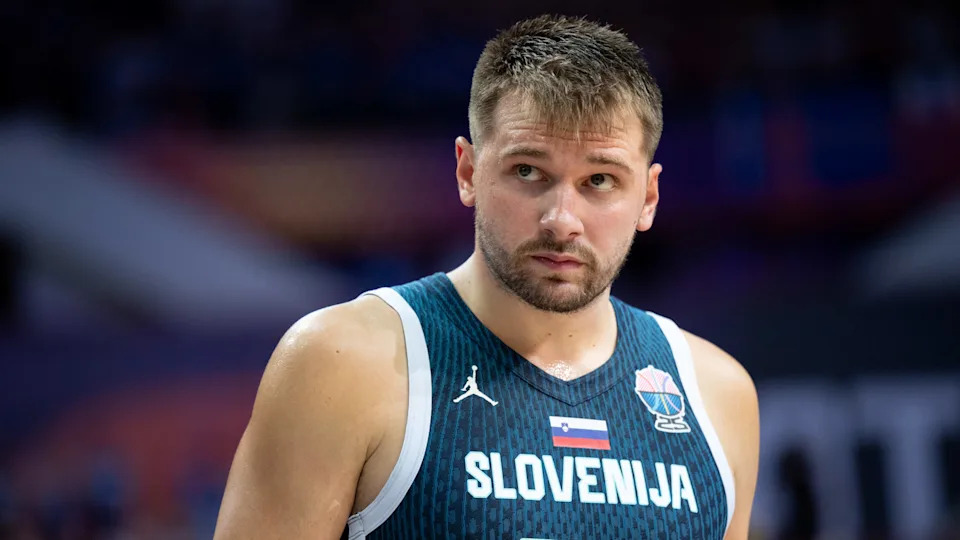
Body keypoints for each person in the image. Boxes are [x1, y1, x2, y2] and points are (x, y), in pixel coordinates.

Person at [214, 14, 759, 540]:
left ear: (649, 197)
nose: (562, 220)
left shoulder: (716, 393)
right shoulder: (343, 364)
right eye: (528, 171)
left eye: (600, 179)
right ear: (468, 171)